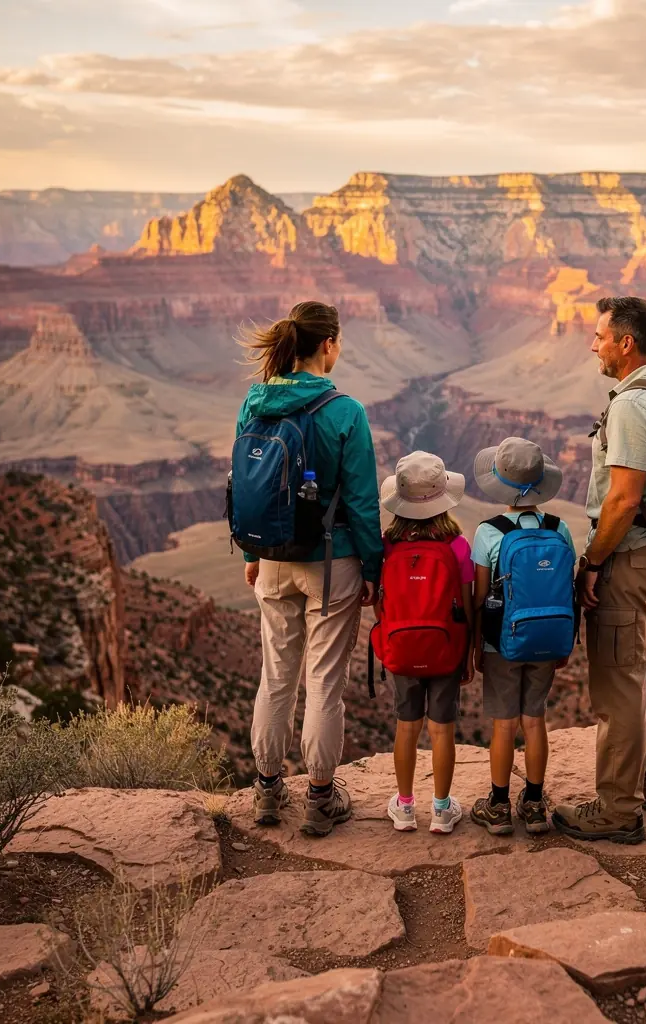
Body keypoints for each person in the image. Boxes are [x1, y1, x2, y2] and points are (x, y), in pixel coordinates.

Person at [238, 300, 383, 837]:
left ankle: (267, 790)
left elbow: (246, 484)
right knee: (324, 683)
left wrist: (252, 555)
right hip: (331, 561)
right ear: (328, 344)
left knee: (276, 677)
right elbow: (363, 501)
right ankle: (320, 798)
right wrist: (372, 566)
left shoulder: (255, 400)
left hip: (273, 558)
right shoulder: (346, 411)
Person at [552, 295, 646, 845]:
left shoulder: (631, 406)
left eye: (600, 336)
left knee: (619, 685)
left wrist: (593, 562)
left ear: (626, 344)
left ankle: (617, 810)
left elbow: (624, 500)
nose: (592, 345)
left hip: (627, 558)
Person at [468, 437, 576, 836]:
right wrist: (567, 639)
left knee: (504, 725)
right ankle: (533, 804)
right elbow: (567, 589)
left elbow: (480, 597)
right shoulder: (560, 527)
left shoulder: (488, 532)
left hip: (502, 642)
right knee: (535, 720)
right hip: (549, 638)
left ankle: (498, 807)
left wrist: (477, 646)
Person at [376, 452, 475, 835]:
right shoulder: (457, 546)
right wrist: (468, 652)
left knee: (406, 726)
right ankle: (441, 809)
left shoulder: (387, 545)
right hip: (446, 648)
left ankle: (404, 807)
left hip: (402, 647)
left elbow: (380, 602)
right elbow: (467, 604)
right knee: (442, 729)